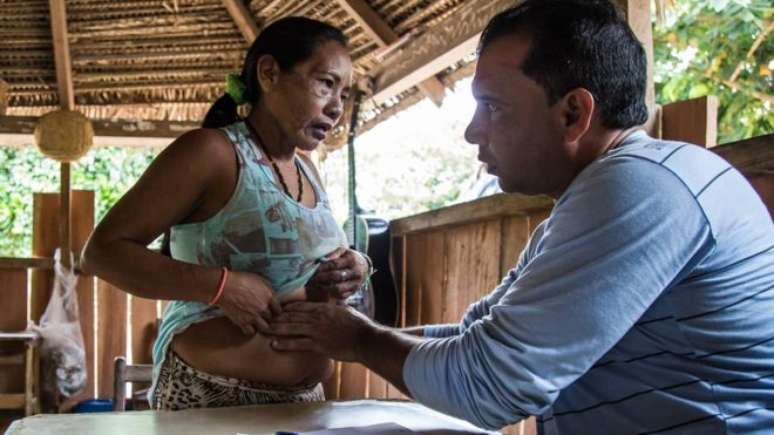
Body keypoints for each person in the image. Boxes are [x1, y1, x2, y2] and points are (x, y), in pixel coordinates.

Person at [265, 1, 774, 433]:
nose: (472, 131)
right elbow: (479, 333)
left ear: (573, 113)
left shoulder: (639, 187)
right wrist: (348, 327)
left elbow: (489, 384)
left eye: (492, 107)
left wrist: (357, 339)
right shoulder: (601, 194)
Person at [81, 16, 371, 410]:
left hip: (304, 401)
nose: (337, 107)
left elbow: (295, 277)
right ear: (269, 73)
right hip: (210, 398)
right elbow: (102, 253)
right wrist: (220, 287)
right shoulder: (211, 153)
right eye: (325, 83)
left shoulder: (307, 170)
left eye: (344, 92)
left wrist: (353, 264)